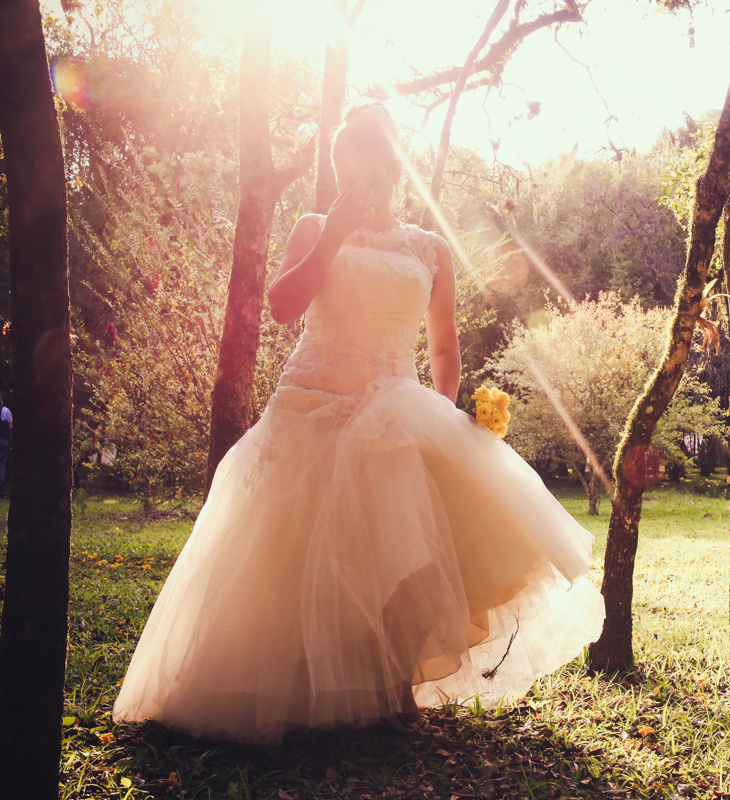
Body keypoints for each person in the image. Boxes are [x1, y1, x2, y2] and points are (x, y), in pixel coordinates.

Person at [113, 102, 605, 745]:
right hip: (311, 399)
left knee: (396, 546)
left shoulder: (429, 248)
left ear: (392, 168)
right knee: (291, 547)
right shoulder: (314, 225)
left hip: (395, 408)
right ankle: (290, 690)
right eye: (346, 165)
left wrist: (443, 417)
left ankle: (390, 689)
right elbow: (284, 306)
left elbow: (445, 348)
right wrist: (334, 233)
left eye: (369, 166)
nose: (358, 178)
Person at [0, 393, 10, 499]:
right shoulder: (4, 411)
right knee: (1, 466)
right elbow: (12, 425)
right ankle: (1, 492)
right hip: (1, 440)